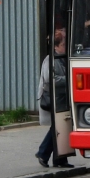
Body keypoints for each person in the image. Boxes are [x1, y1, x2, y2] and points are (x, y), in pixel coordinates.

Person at [35, 30, 73, 168]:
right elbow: (52, 79)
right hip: (54, 99)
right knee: (58, 127)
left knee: (62, 126)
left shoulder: (62, 58)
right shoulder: (50, 59)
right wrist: (69, 79)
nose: (65, 46)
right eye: (63, 44)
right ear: (56, 46)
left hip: (62, 99)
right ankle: (43, 153)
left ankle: (60, 159)